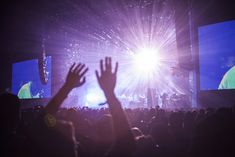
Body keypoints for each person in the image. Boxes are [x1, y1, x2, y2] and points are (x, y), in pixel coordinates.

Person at [95, 57, 136, 157]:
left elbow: (127, 142)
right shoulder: (122, 150)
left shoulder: (88, 150)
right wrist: (109, 93)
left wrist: (109, 93)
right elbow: (127, 142)